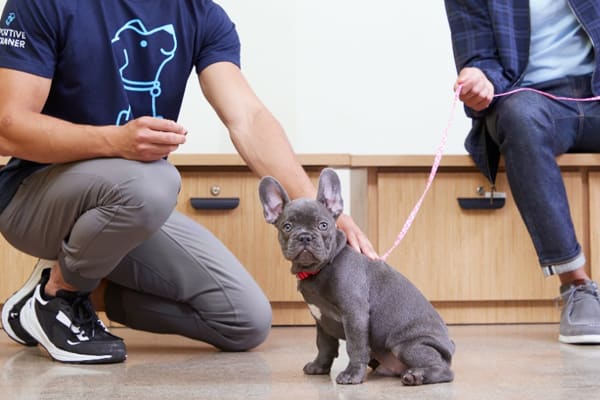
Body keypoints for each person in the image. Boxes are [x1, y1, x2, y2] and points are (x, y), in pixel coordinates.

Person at [0, 0, 377, 364]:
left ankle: (49, 294)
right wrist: (115, 140)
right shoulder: (44, 2)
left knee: (245, 321)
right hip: (33, 195)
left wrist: (315, 205)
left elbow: (247, 117)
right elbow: (8, 126)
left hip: (128, 201)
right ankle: (61, 296)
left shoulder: (201, 14)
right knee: (156, 181)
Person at [444, 0, 600, 344]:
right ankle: (576, 286)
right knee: (519, 117)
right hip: (533, 101)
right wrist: (479, 78)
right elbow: (479, 57)